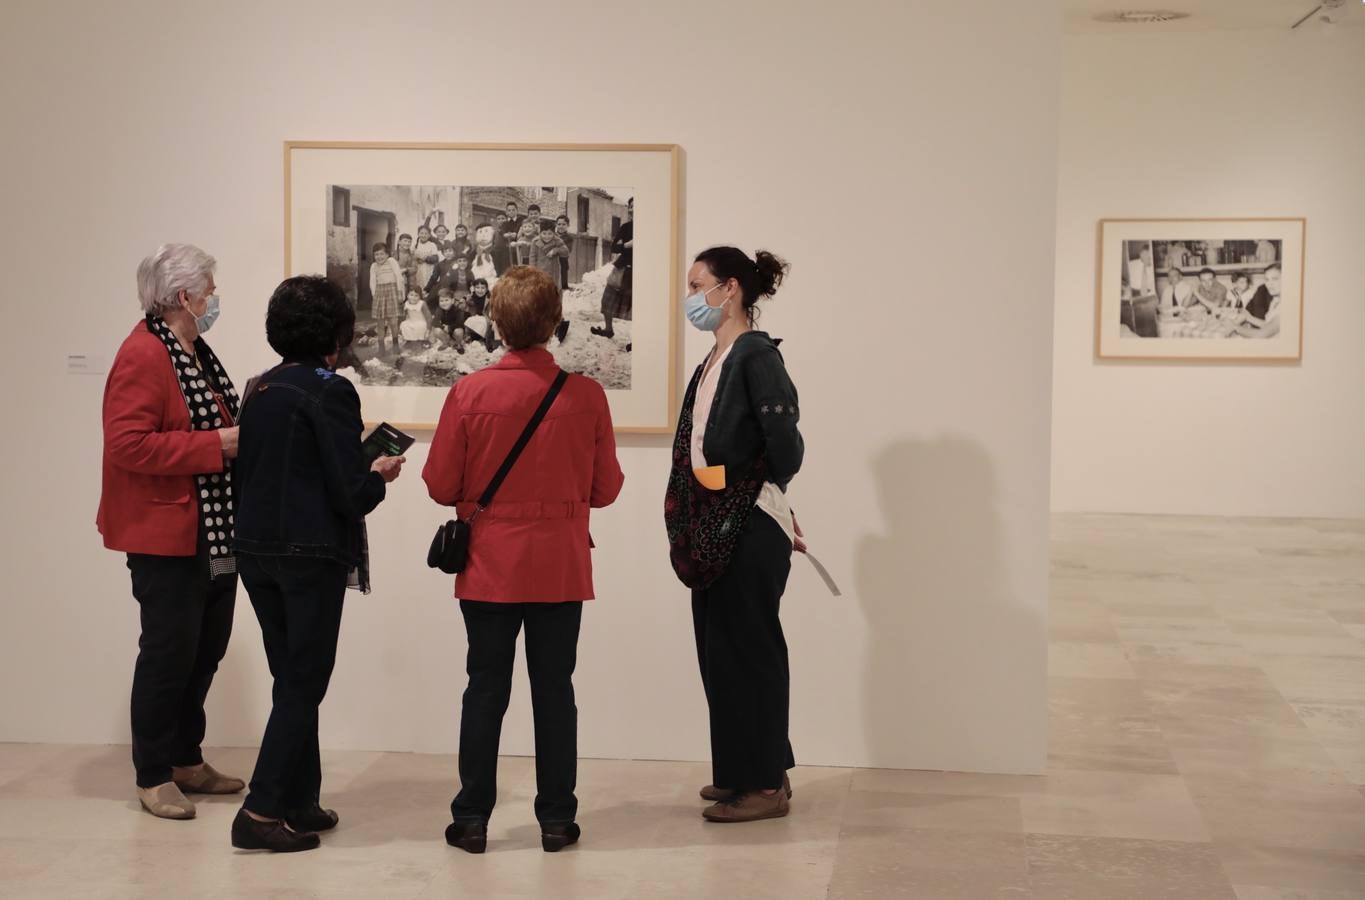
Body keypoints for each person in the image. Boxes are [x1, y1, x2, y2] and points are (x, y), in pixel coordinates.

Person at [423, 266, 624, 855]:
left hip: (488, 564)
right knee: (555, 690)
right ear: (554, 321)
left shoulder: (469, 392)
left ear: (496, 322)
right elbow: (606, 489)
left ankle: (473, 819)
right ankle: (558, 819)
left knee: (484, 689)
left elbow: (440, 484)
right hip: (560, 563)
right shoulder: (586, 396)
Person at [230, 275, 405, 853]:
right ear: (337, 331)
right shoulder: (332, 391)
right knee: (305, 681)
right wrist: (377, 474)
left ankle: (299, 799)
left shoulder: (259, 387)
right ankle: (259, 811)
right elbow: (347, 491)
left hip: (255, 551)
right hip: (308, 556)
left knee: (291, 677)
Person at [98, 243, 245, 820]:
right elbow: (127, 444)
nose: (215, 299)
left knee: (205, 650)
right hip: (166, 535)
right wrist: (221, 444)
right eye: (209, 289)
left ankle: (186, 758)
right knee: (167, 654)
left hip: (213, 531)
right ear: (184, 296)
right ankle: (153, 773)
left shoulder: (195, 350)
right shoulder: (142, 354)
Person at [664, 246, 804, 824]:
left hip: (744, 523)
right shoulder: (716, 356)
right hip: (715, 522)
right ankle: (744, 769)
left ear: (731, 290)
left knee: (749, 653)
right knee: (721, 652)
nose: (691, 297)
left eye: (699, 285)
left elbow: (786, 447)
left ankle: (765, 785)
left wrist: (754, 493)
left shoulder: (753, 355)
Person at [592, 198, 632, 339]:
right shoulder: (626, 227)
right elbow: (615, 247)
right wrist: (627, 245)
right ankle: (608, 330)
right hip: (621, 268)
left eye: (636, 206)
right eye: (630, 207)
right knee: (607, 299)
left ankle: (639, 340)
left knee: (638, 306)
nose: (632, 210)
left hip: (640, 271)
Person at [368, 243, 404, 354]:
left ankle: (395, 344)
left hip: (392, 291)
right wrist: (375, 296)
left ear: (387, 254)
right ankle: (381, 347)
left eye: (382, 254)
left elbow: (399, 277)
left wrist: (399, 293)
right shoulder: (374, 266)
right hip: (379, 293)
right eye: (376, 254)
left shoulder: (392, 261)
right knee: (380, 323)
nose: (379, 257)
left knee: (393, 321)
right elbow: (372, 281)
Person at [1239, 263, 1283, 338]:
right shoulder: (1276, 300)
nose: (1269, 284)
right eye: (1267, 279)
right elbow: (1269, 325)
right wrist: (1249, 318)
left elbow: (1261, 334)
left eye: (1275, 279)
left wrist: (1235, 327)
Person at [414, 225, 442, 296]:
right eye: (421, 233)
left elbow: (435, 259)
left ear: (429, 235)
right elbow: (413, 257)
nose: (423, 235)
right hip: (418, 270)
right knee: (418, 288)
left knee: (428, 289)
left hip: (429, 270)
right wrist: (416, 259)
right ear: (418, 234)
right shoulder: (415, 245)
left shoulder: (432, 245)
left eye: (426, 233)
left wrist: (424, 258)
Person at [555, 215, 573, 290]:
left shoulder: (569, 238)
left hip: (563, 262)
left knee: (562, 285)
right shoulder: (551, 235)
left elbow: (567, 250)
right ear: (556, 225)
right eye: (559, 224)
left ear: (568, 225)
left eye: (563, 224)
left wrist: (556, 249)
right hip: (553, 262)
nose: (561, 226)